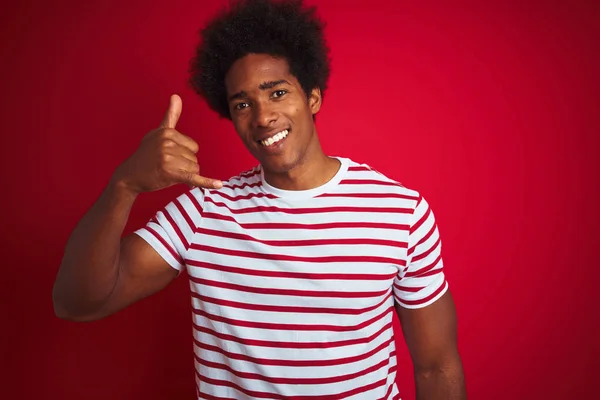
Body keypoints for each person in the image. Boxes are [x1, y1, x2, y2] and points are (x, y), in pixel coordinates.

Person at [52, 0, 466, 398]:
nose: (263, 116)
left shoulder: (400, 212)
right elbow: (77, 302)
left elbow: (437, 366)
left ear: (313, 97)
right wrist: (123, 186)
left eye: (277, 93)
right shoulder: (204, 212)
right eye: (243, 103)